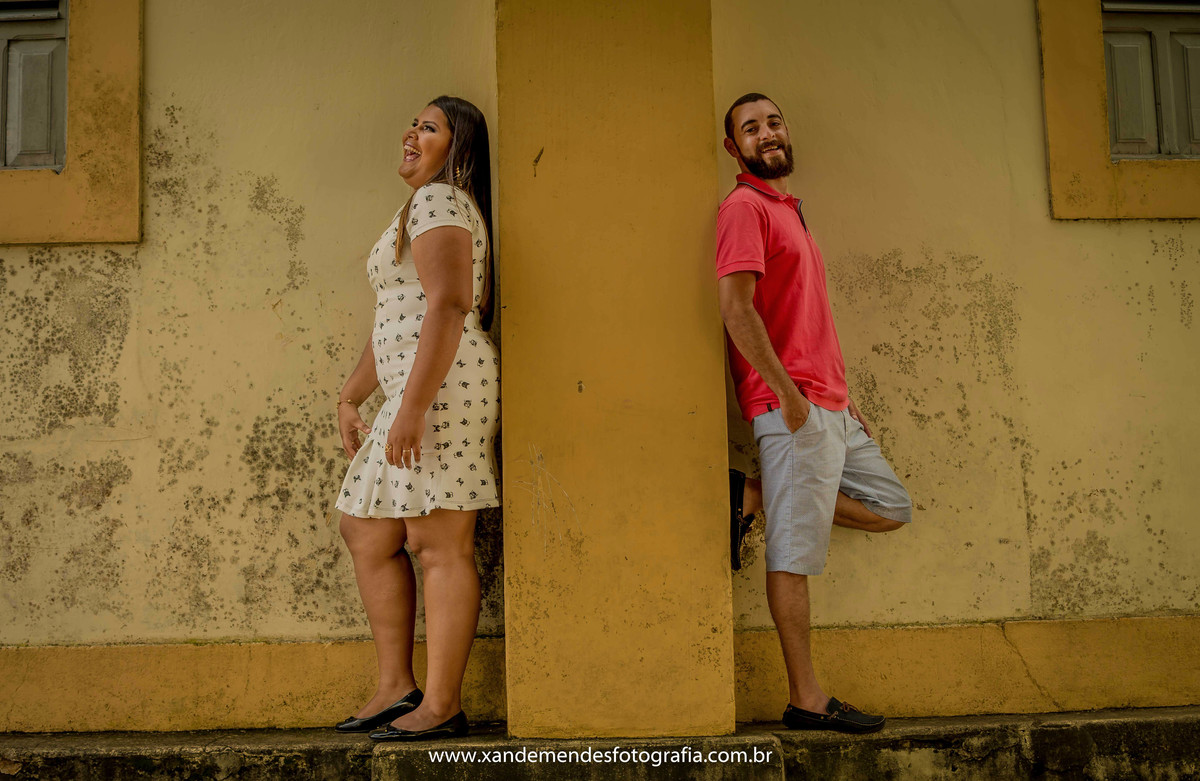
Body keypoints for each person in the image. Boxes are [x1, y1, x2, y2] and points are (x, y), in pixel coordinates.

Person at [716, 93, 913, 734]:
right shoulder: (744, 208)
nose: (767, 133)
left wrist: (843, 400)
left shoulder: (787, 209)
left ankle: (755, 492)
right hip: (791, 404)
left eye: (773, 122)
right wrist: (791, 397)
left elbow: (805, 317)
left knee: (891, 507)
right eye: (751, 128)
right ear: (734, 148)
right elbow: (736, 309)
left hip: (829, 403)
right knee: (793, 557)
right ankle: (807, 699)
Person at [332, 95, 498, 742]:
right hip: (413, 387)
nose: (411, 133)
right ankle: (395, 687)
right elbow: (397, 317)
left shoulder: (441, 200)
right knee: (367, 529)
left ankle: (442, 703)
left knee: (438, 544)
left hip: (443, 389)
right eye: (413, 123)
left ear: (457, 149)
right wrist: (353, 396)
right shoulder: (423, 204)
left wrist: (413, 407)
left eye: (428, 127)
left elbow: (449, 305)